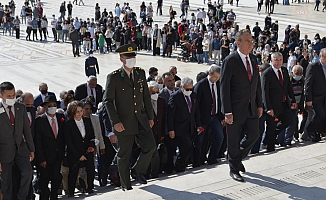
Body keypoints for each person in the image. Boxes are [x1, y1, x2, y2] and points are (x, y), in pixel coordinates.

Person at [103, 44, 156, 191]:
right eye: (128, 57)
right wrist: (115, 122)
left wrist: (150, 117)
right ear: (121, 59)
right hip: (124, 122)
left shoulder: (140, 73)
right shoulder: (114, 77)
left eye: (133, 56)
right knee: (124, 154)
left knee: (150, 146)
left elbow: (145, 96)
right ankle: (126, 184)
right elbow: (107, 101)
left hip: (141, 119)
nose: (132, 59)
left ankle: (138, 169)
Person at [220, 29, 263, 182]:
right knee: (233, 139)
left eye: (251, 40)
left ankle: (236, 159)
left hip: (251, 107)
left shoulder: (253, 59)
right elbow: (224, 88)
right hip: (235, 109)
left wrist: (259, 104)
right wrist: (227, 111)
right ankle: (233, 168)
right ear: (238, 43)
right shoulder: (230, 61)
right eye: (247, 40)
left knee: (254, 135)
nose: (251, 43)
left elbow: (256, 84)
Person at [0, 81, 35, 200]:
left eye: (13, 95)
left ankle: (21, 197)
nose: (12, 98)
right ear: (1, 96)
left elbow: (26, 129)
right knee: (6, 181)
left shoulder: (21, 107)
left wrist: (31, 149)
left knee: (27, 172)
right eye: (9, 96)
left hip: (21, 149)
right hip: (4, 152)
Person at [262, 52, 296, 151]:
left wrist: (293, 100)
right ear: (271, 61)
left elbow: (289, 87)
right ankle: (270, 146)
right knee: (271, 126)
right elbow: (264, 92)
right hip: (272, 105)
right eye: (276, 60)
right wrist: (268, 108)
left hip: (283, 103)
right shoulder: (267, 74)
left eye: (280, 60)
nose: (278, 62)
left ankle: (270, 137)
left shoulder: (284, 71)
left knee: (288, 120)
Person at [167, 77, 202, 172]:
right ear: (181, 87)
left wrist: (199, 125)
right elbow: (170, 115)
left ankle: (182, 165)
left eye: (191, 89)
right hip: (179, 127)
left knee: (187, 148)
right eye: (187, 89)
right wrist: (171, 129)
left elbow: (196, 111)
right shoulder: (175, 96)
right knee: (187, 145)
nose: (189, 91)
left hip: (190, 127)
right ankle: (179, 166)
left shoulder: (193, 95)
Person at [34, 95, 65, 200]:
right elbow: (37, 141)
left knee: (56, 177)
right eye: (50, 105)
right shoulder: (40, 121)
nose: (52, 107)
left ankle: (54, 196)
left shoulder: (61, 117)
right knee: (44, 179)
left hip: (57, 154)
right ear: (45, 106)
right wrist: (41, 158)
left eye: (54, 105)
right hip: (45, 156)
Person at [193, 65, 224, 167]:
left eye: (218, 78)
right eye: (215, 77)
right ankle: (197, 162)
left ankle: (212, 158)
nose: (216, 79)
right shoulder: (201, 85)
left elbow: (220, 100)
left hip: (214, 116)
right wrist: (197, 122)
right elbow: (196, 105)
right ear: (209, 74)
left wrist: (222, 116)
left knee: (220, 137)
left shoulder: (218, 84)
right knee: (200, 141)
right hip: (203, 118)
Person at [64, 101, 95, 197]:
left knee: (90, 169)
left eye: (81, 111)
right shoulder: (68, 124)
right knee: (73, 173)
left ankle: (89, 188)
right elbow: (69, 142)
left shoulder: (87, 121)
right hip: (74, 153)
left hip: (87, 151)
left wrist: (91, 146)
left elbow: (91, 136)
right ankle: (71, 191)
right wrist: (78, 155)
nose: (80, 113)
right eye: (77, 111)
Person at [159, 72, 179, 173]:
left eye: (173, 80)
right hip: (168, 128)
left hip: (179, 125)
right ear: (164, 82)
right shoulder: (161, 95)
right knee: (170, 149)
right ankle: (169, 168)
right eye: (169, 81)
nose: (172, 83)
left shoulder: (179, 91)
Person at [305, 48, 326, 142]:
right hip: (316, 97)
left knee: (323, 115)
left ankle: (318, 132)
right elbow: (308, 84)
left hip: (324, 96)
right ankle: (310, 129)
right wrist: (308, 99)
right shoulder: (313, 67)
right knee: (319, 114)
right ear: (320, 57)